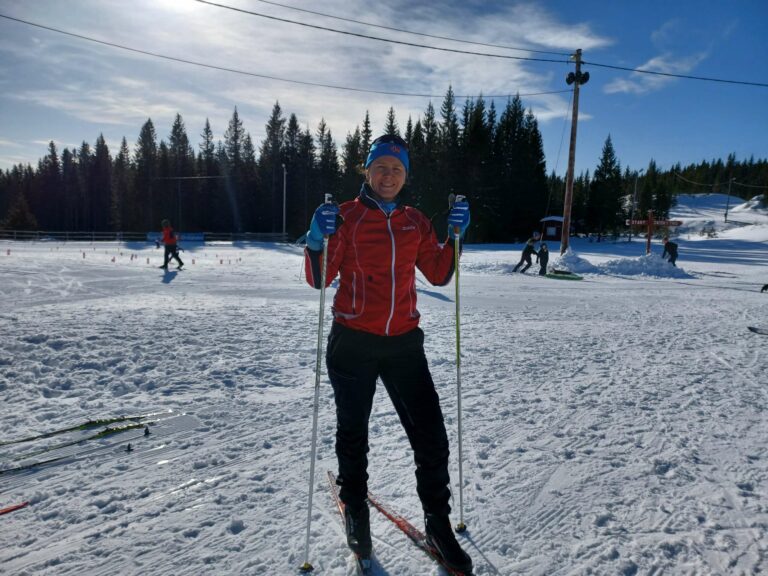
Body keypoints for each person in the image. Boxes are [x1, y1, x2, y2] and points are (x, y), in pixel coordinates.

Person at [303, 134, 473, 574]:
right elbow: (322, 280)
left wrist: (455, 236)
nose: (388, 176)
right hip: (353, 341)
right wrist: (317, 240)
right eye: (381, 167)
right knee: (353, 435)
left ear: (406, 176)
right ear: (367, 170)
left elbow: (437, 274)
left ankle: (438, 523)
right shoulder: (345, 216)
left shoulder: (415, 221)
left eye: (397, 170)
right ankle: (356, 512)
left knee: (432, 436)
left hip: (403, 343)